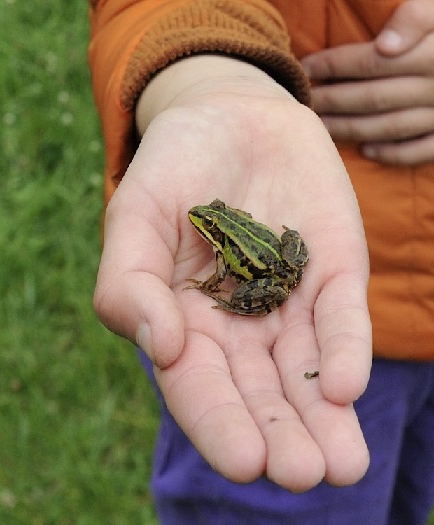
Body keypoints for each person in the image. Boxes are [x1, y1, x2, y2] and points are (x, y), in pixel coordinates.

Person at [88, 0, 434, 523]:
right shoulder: (226, 227)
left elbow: (229, 272)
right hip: (352, 311)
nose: (203, 223)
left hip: (307, 287)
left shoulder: (225, 250)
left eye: (209, 222)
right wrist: (205, 77)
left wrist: (214, 291)